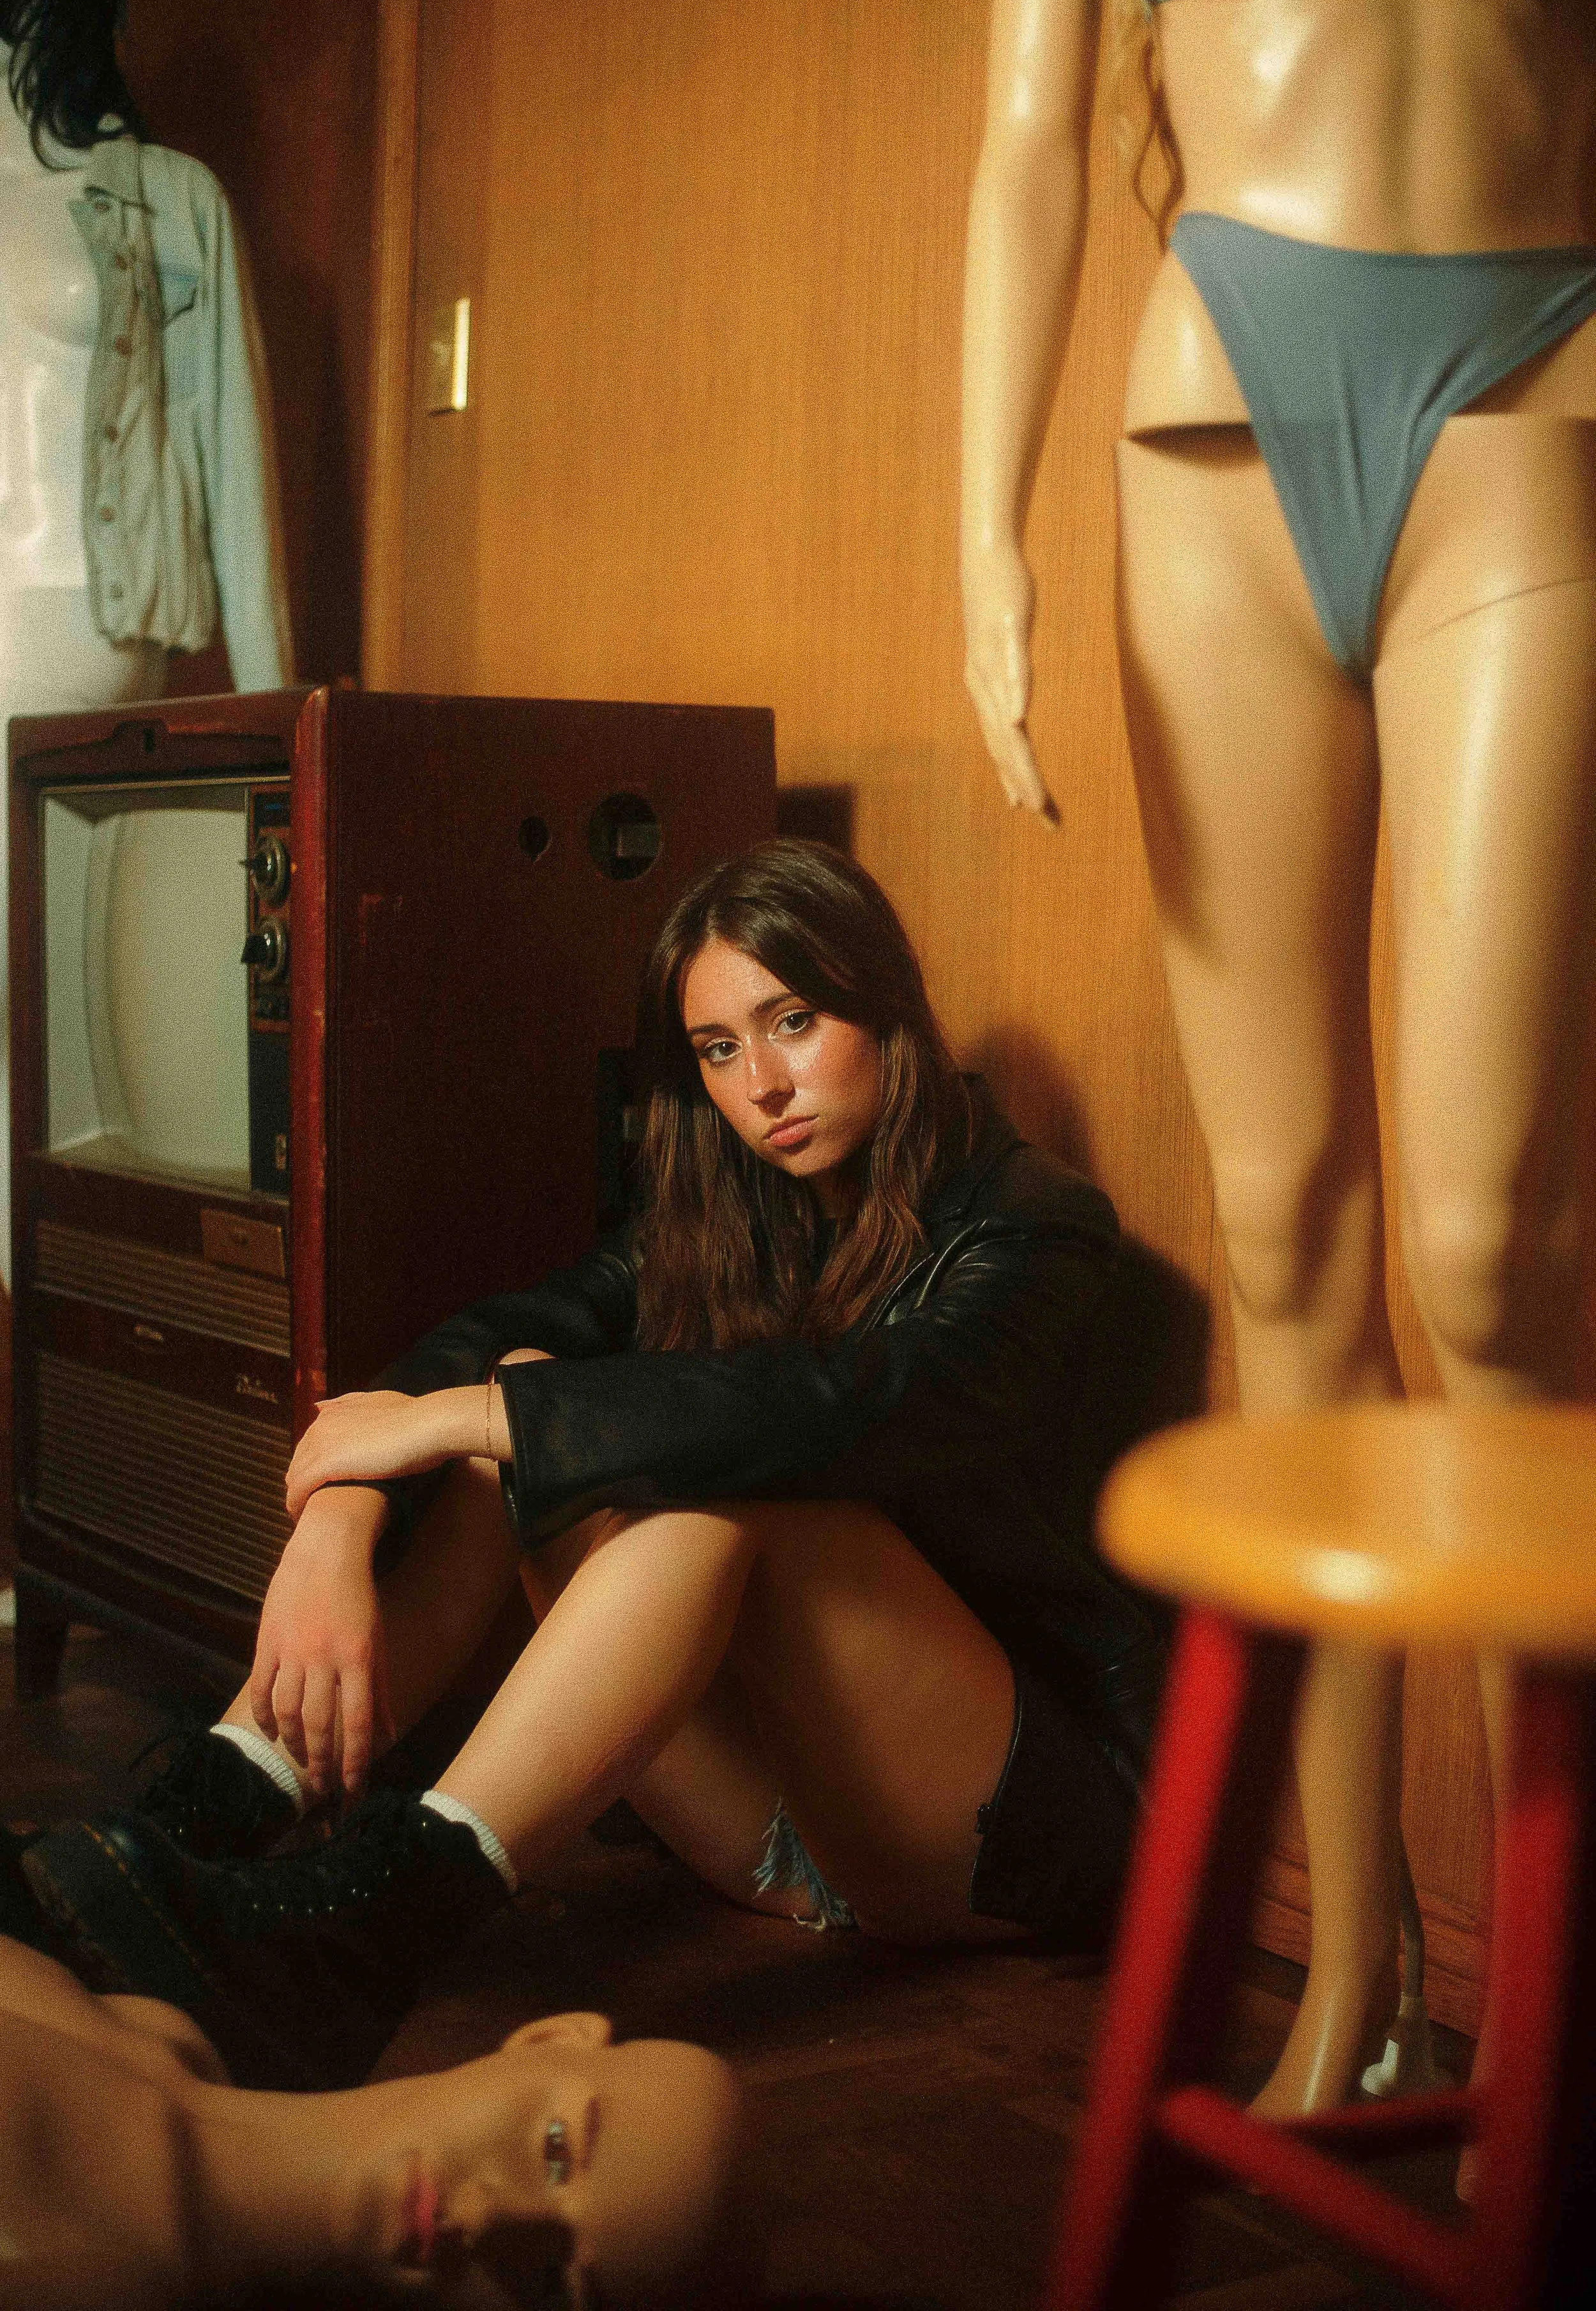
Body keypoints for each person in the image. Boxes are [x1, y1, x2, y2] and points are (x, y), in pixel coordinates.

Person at [19, 840, 1164, 2096]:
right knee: (519, 1373)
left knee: (698, 1480)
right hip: (781, 1814)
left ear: (890, 1007)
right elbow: (491, 1348)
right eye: (719, 1050)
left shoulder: (1031, 1230)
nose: (762, 1085)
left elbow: (852, 1404)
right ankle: (201, 1815)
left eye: (793, 1021)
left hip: (999, 1832)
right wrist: (333, 1533)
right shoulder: (744, 1219)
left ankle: (371, 1927)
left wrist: (464, 1418)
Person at [959, 0, 1596, 2114]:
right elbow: (1034, 128)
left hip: (1540, 393)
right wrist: (982, 539)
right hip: (1208, 413)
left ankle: (1554, 1992)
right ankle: (1366, 1966)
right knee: (1288, 1240)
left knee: (1497, 1258)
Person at [0, 0, 292, 1275]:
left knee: (64, 1029)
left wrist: (278, 719)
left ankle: (56, 1331)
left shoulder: (169, 198)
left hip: (84, 637)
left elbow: (235, 453)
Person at [0, 1828, 746, 2310]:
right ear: (549, 2039)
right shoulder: (169, 2042)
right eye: (555, 2151)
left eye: (551, 2289)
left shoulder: (86, 2274)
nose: (488, 2219)